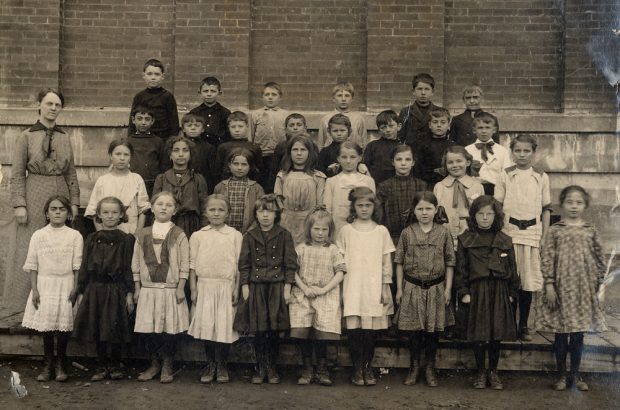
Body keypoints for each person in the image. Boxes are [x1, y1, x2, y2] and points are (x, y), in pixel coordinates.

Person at [7, 88, 80, 311]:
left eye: (57, 105)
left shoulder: (64, 137)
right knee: (31, 245)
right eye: (49, 104)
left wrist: (74, 202)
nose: (53, 109)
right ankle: (24, 305)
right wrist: (20, 203)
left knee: (59, 245)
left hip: (60, 192)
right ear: (39, 105)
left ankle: (56, 304)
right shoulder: (26, 136)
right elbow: (18, 173)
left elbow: (72, 173)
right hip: (35, 191)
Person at [536, 186, 607, 391]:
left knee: (577, 334)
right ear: (562, 204)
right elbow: (547, 258)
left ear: (585, 205)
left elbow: (600, 258)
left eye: (578, 203)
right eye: (569, 202)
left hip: (583, 290)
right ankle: (561, 375)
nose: (574, 206)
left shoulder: (590, 230)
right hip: (559, 289)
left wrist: (599, 285)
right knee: (561, 333)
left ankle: (576, 375)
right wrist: (549, 284)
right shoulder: (554, 230)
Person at [455, 196, 519, 390]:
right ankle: (480, 371)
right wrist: (463, 291)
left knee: (495, 333)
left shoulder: (504, 240)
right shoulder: (466, 239)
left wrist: (511, 291)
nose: (485, 218)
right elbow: (461, 269)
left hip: (499, 291)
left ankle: (493, 370)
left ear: (496, 216)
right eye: (480, 214)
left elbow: (512, 267)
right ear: (473, 216)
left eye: (489, 214)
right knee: (480, 333)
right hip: (477, 291)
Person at [234, 194, 298, 384]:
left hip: (277, 287)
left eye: (269, 211)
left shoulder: (284, 235)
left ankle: (272, 368)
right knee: (259, 329)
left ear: (276, 214)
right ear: (256, 214)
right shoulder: (250, 236)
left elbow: (290, 264)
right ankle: (260, 368)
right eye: (261, 211)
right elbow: (244, 264)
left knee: (273, 329)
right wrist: (245, 286)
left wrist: (287, 288)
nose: (265, 215)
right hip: (257, 287)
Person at [394, 191, 455, 387]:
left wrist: (448, 289)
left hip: (436, 287)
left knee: (432, 331)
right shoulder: (407, 232)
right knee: (414, 331)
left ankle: (430, 367)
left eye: (428, 208)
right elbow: (399, 262)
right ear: (414, 210)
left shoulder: (444, 233)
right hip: (412, 286)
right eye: (420, 209)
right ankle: (414, 367)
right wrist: (399, 289)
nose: (424, 212)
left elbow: (450, 262)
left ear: (436, 210)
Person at [494, 135, 551, 341]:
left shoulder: (541, 176)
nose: (522, 155)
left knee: (527, 282)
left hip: (532, 234)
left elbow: (545, 209)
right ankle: (509, 324)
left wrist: (544, 236)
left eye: (527, 151)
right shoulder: (506, 174)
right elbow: (497, 206)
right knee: (511, 280)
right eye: (518, 151)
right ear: (512, 153)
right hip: (510, 233)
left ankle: (524, 325)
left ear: (533, 153)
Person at [21, 195, 83, 382]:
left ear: (68, 214)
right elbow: (33, 265)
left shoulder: (75, 235)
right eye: (53, 209)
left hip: (66, 284)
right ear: (47, 213)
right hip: (44, 284)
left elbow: (77, 266)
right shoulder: (38, 235)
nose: (57, 212)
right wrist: (35, 289)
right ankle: (48, 363)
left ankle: (61, 363)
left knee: (63, 328)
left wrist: (75, 287)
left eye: (62, 209)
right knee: (47, 327)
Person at [73, 196, 135, 382]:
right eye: (105, 212)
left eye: (114, 212)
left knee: (115, 327)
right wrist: (81, 291)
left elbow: (129, 268)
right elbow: (84, 266)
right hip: (95, 288)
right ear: (98, 215)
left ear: (121, 215)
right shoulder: (92, 238)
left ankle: (115, 364)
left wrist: (129, 292)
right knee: (97, 326)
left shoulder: (126, 239)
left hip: (116, 288)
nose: (110, 216)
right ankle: (100, 365)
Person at [337, 187, 395, 386]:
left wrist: (385, 287)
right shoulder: (346, 231)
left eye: (368, 205)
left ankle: (367, 367)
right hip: (352, 286)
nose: (364, 209)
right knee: (354, 330)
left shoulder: (381, 231)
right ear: (353, 206)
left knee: (370, 331)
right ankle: (356, 369)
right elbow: (339, 260)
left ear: (374, 206)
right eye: (360, 205)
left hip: (373, 286)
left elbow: (387, 263)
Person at [132, 191, 190, 383]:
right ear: (152, 207)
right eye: (160, 204)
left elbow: (184, 263)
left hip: (170, 289)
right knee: (150, 328)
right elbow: (136, 262)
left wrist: (181, 286)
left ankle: (167, 364)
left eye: (169, 205)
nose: (164, 207)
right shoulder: (142, 234)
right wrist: (138, 287)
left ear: (175, 210)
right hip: (149, 289)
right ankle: (154, 364)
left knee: (168, 329)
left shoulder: (179, 234)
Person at [188, 194, 243, 384]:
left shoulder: (235, 235)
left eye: (221, 210)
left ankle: (222, 365)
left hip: (225, 287)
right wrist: (193, 289)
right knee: (207, 327)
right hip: (205, 286)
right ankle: (210, 363)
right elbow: (192, 265)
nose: (216, 213)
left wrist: (236, 288)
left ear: (228, 213)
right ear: (205, 212)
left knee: (223, 327)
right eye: (212, 210)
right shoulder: (198, 235)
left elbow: (238, 266)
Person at [290, 208, 345, 386]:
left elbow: (340, 272)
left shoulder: (333, 250)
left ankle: (322, 369)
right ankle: (307, 368)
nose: (320, 233)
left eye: (324, 230)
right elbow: (293, 272)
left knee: (323, 335)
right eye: (316, 229)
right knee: (303, 332)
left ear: (329, 231)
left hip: (326, 295)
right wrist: (305, 288)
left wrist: (324, 290)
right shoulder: (301, 249)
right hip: (304, 295)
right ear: (309, 229)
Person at [85, 140, 150, 235]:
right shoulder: (102, 180)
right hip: (107, 231)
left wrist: (138, 233)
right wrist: (101, 232)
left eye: (126, 154)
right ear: (111, 156)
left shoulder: (136, 179)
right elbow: (93, 209)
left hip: (130, 231)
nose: (122, 158)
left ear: (130, 157)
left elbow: (143, 209)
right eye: (118, 154)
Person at [153, 135, 209, 239]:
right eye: (176, 150)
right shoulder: (161, 178)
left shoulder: (197, 179)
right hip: (167, 223)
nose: (181, 154)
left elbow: (204, 207)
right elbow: (155, 206)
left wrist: (203, 231)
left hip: (191, 225)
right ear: (170, 155)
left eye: (185, 150)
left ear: (190, 155)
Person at [274, 134, 326, 244]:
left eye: (303, 150)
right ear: (289, 152)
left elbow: (320, 205)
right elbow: (278, 202)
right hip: (286, 222)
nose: (299, 153)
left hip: (309, 222)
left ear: (310, 153)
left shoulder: (318, 177)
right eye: (295, 150)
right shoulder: (282, 176)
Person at [434, 145, 484, 248]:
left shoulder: (477, 187)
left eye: (459, 161)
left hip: (471, 238)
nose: (455, 165)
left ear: (468, 162)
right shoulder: (439, 187)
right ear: (445, 165)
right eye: (450, 162)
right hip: (445, 237)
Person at [324, 141, 376, 235]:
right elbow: (327, 210)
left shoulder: (368, 181)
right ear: (338, 158)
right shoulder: (331, 182)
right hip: (338, 228)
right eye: (344, 157)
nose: (348, 161)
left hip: (362, 228)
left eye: (352, 157)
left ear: (360, 158)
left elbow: (372, 208)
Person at [213, 148, 265, 233]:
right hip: (223, 232)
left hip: (248, 232)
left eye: (244, 164)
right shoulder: (220, 187)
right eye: (236, 164)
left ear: (250, 166)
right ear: (229, 165)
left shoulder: (256, 188)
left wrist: (250, 231)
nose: (239, 168)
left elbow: (261, 212)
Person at [250, 82, 290, 192]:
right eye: (267, 95)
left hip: (280, 155)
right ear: (262, 97)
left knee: (277, 182)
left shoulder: (285, 114)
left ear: (280, 97)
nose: (270, 97)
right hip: (261, 155)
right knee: (262, 183)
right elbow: (251, 135)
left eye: (274, 94)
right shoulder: (255, 114)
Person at [128, 58, 179, 139]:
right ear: (144, 76)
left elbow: (174, 123)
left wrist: (171, 142)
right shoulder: (139, 97)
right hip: (143, 137)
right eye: (149, 74)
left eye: (157, 74)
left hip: (163, 137)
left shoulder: (167, 96)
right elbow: (132, 122)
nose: (153, 77)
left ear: (162, 76)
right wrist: (131, 139)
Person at [466, 112, 511, 196]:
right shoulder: (467, 150)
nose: (484, 131)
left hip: (496, 190)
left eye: (487, 127)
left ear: (494, 130)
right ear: (474, 130)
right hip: (474, 189)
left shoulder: (502, 151)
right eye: (480, 128)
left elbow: (506, 175)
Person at [126, 105, 166, 197]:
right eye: (139, 119)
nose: (143, 122)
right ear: (133, 120)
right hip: (132, 182)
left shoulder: (158, 142)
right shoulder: (127, 141)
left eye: (147, 119)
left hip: (152, 183)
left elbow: (163, 164)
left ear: (152, 121)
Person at [214, 111, 264, 183]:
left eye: (240, 126)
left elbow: (259, 171)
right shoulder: (223, 147)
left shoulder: (254, 147)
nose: (237, 130)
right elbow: (218, 171)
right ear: (228, 128)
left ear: (247, 126)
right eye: (233, 127)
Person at [317, 82, 368, 149]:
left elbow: (364, 144)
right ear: (333, 99)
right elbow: (321, 144)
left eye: (347, 95)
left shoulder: (359, 119)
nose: (343, 99)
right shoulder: (325, 119)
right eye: (339, 95)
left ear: (352, 99)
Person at [414, 107, 455, 188]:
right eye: (435, 122)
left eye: (443, 122)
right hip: (428, 184)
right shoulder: (422, 146)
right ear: (429, 125)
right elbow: (418, 169)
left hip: (450, 184)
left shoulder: (453, 146)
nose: (439, 125)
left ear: (448, 125)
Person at [398, 73, 442, 148]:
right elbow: (401, 136)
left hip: (432, 152)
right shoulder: (406, 111)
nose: (423, 93)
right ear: (413, 91)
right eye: (419, 89)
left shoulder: (440, 111)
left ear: (432, 92)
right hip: (412, 153)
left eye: (427, 89)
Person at [188, 76, 231, 147]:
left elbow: (228, 135)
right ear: (199, 92)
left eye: (213, 91)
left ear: (219, 93)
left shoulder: (225, 113)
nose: (209, 94)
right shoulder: (194, 113)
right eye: (205, 91)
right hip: (199, 149)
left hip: (218, 149)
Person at [179, 113, 216, 192]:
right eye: (189, 125)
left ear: (203, 129)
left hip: (202, 184)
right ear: (183, 129)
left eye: (197, 125)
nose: (193, 128)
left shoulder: (209, 148)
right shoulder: (178, 146)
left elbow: (212, 172)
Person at [363, 110, 402, 185]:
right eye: (383, 127)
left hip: (397, 185)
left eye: (391, 126)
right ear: (379, 130)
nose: (387, 130)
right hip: (377, 184)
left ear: (399, 126)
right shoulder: (372, 146)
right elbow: (365, 166)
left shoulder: (402, 147)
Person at [270, 113, 309, 184]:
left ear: (305, 128)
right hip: (285, 181)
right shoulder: (281, 146)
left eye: (299, 125)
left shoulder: (311, 145)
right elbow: (274, 170)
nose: (295, 128)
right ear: (285, 129)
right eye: (291, 125)